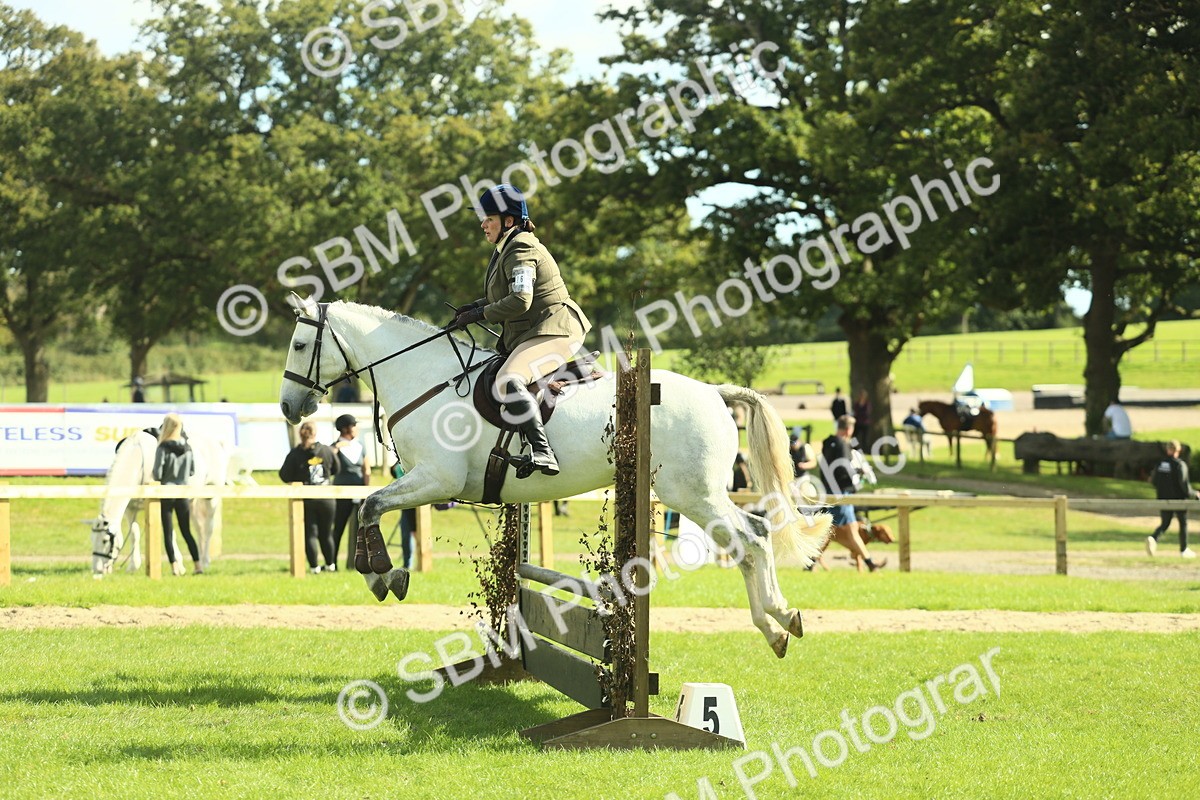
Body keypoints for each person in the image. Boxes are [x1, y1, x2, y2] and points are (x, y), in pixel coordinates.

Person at [448, 184, 592, 478]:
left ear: (509, 221)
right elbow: (504, 294)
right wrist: (472, 307)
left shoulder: (522, 246)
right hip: (534, 330)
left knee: (510, 378)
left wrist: (480, 314)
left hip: (556, 328)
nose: (482, 223)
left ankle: (543, 451)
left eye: (489, 217)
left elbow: (520, 300)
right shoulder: (505, 248)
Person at [817, 415, 886, 571]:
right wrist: (858, 471)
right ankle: (869, 562)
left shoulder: (828, 443)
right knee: (848, 530)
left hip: (830, 490)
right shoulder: (842, 445)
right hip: (841, 492)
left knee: (833, 529)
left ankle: (868, 562)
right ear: (849, 429)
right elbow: (842, 469)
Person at [279, 420, 339, 574]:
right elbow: (336, 468)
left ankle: (314, 568)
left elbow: (284, 475)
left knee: (310, 534)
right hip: (327, 498)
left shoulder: (295, 454)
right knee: (326, 534)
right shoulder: (326, 450)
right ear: (315, 433)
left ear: (300, 434)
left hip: (306, 499)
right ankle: (331, 565)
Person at [153, 413, 198, 576]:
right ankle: (197, 565)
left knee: (168, 532)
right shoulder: (187, 447)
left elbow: (157, 473)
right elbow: (192, 471)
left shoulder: (162, 447)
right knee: (187, 531)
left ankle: (174, 567)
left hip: (167, 492)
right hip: (183, 492)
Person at [330, 414, 371, 570]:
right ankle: (332, 562)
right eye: (354, 425)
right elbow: (328, 456)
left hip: (359, 493)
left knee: (359, 530)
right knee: (338, 528)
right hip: (341, 493)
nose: (356, 428)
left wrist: (366, 492)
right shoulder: (336, 446)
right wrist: (337, 447)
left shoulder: (361, 445)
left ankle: (355, 563)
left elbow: (366, 469)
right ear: (346, 428)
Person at [1147, 441, 1197, 559]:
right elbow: (1185, 486)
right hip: (1179, 500)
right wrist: (1195, 494)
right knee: (1183, 523)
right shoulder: (1180, 465)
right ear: (1178, 450)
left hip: (1163, 499)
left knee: (1165, 523)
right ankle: (1184, 549)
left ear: (1167, 450)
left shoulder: (1160, 464)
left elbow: (1154, 481)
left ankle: (1153, 538)